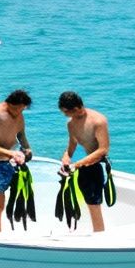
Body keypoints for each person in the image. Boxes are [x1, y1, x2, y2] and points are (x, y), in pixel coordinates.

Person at [57, 90, 112, 233]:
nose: (65, 115)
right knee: (85, 203)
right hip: (82, 167)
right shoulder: (71, 124)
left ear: (75, 109)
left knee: (94, 205)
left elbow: (103, 149)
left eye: (65, 112)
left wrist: (77, 164)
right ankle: (92, 232)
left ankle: (99, 237)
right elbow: (72, 145)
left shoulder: (98, 121)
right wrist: (66, 157)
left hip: (96, 166)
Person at [0, 89, 33, 232]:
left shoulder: (19, 114)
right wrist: (10, 154)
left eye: (22, 110)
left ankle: (12, 229)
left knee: (19, 200)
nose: (18, 113)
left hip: (13, 163)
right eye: (16, 109)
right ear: (9, 104)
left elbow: (20, 133)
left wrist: (27, 148)